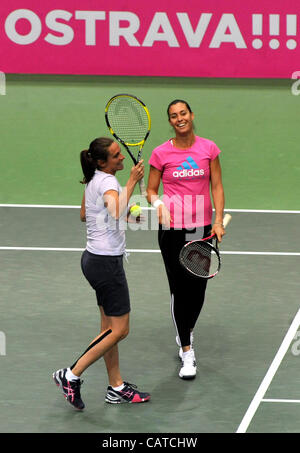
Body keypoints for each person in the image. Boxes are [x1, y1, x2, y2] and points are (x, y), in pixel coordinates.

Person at [53, 137, 150, 409]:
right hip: (106, 265)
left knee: (108, 329)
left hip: (93, 260)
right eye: (116, 156)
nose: (121, 158)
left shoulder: (95, 178)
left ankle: (116, 387)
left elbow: (86, 213)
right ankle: (70, 375)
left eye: (121, 154)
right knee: (120, 330)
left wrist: (127, 216)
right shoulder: (108, 181)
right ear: (102, 162)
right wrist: (131, 183)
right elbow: (115, 209)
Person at [146, 100, 225, 380]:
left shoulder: (208, 149)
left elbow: (216, 185)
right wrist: (158, 206)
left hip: (201, 229)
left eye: (183, 114)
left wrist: (217, 219)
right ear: (170, 122)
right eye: (173, 116)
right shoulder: (161, 153)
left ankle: (185, 329)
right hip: (173, 230)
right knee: (180, 289)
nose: (179, 119)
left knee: (198, 288)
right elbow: (151, 190)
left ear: (192, 115)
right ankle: (188, 352)